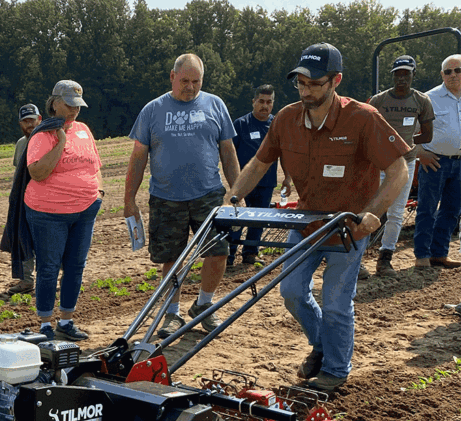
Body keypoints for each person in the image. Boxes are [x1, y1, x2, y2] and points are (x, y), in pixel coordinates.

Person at [229, 43, 408, 392]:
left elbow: (399, 169)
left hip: (348, 228)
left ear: (335, 80)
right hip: (307, 223)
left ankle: (336, 370)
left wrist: (373, 214)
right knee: (292, 292)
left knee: (337, 304)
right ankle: (323, 344)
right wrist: (233, 197)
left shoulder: (362, 118)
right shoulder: (286, 118)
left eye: (314, 83)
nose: (305, 89)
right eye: (300, 83)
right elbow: (259, 162)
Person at [125, 53, 240, 336]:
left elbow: (228, 151)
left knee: (218, 252)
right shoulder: (153, 110)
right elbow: (138, 158)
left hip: (209, 195)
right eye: (185, 80)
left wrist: (237, 193)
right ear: (172, 77)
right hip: (166, 198)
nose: (190, 87)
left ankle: (204, 305)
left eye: (196, 81)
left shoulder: (215, 105)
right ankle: (172, 314)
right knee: (172, 258)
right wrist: (129, 199)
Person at [23, 80, 103, 341]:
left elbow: (95, 164)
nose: (74, 111)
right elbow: (37, 172)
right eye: (69, 105)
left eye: (78, 106)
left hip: (85, 211)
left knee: (76, 266)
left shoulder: (84, 130)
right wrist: (60, 142)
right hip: (49, 214)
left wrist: (97, 192)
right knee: (48, 268)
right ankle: (46, 324)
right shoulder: (42, 135)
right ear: (55, 103)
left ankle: (66, 321)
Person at [367, 55, 435, 277]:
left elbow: (427, 134)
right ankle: (356, 259)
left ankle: (385, 259)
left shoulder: (421, 101)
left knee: (396, 213)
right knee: (369, 209)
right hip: (378, 163)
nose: (401, 79)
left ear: (413, 75)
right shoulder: (378, 100)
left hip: (405, 164)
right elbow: (366, 129)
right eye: (398, 74)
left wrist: (407, 144)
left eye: (406, 74)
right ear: (393, 76)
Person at [230, 85, 292, 266]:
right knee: (236, 220)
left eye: (269, 102)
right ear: (254, 102)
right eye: (261, 101)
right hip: (243, 184)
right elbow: (230, 155)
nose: (265, 106)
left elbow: (284, 154)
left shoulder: (276, 125)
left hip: (266, 183)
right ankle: (229, 256)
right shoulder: (240, 125)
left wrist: (287, 178)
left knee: (258, 221)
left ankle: (250, 254)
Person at [413, 53, 461, 270]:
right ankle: (422, 256)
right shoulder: (428, 98)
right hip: (434, 162)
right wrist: (420, 151)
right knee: (427, 208)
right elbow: (408, 131)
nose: (453, 75)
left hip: (460, 163)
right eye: (448, 71)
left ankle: (439, 254)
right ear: (442, 74)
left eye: (458, 70)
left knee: (452, 210)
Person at [9, 103, 41, 293]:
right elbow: (18, 173)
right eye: (25, 121)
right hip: (24, 199)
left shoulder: (48, 140)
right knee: (23, 239)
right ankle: (27, 280)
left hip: (46, 200)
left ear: (40, 119)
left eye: (32, 120)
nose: (29, 124)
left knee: (49, 241)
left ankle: (61, 277)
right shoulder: (21, 143)